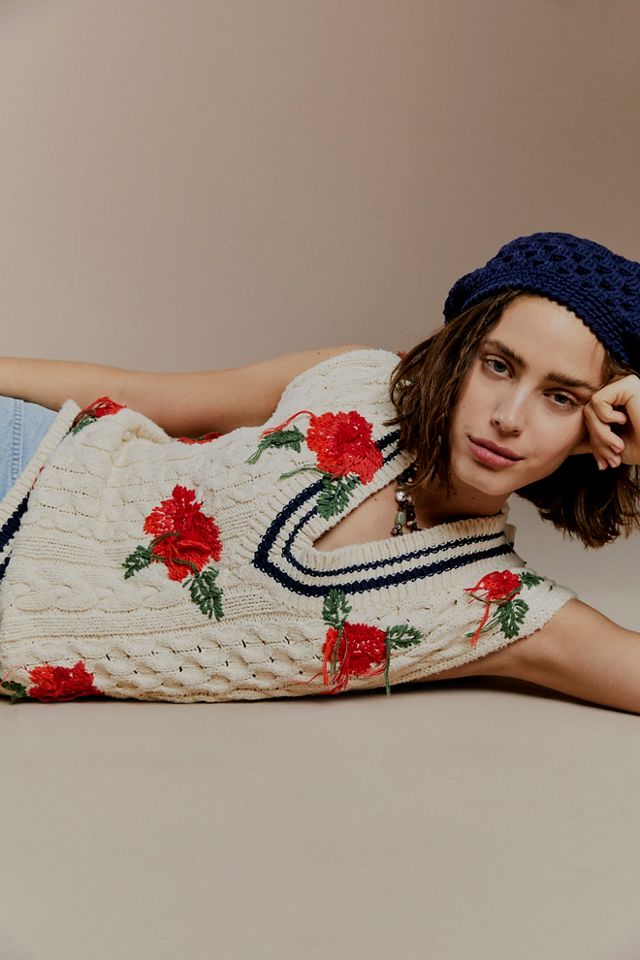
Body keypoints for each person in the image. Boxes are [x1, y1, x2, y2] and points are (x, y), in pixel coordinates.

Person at [1, 231, 639, 711]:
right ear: (459, 352)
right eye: (498, 365)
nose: (508, 417)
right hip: (28, 457)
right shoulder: (356, 379)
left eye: (562, 398)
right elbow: (144, 396)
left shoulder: (499, 608)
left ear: (597, 429)